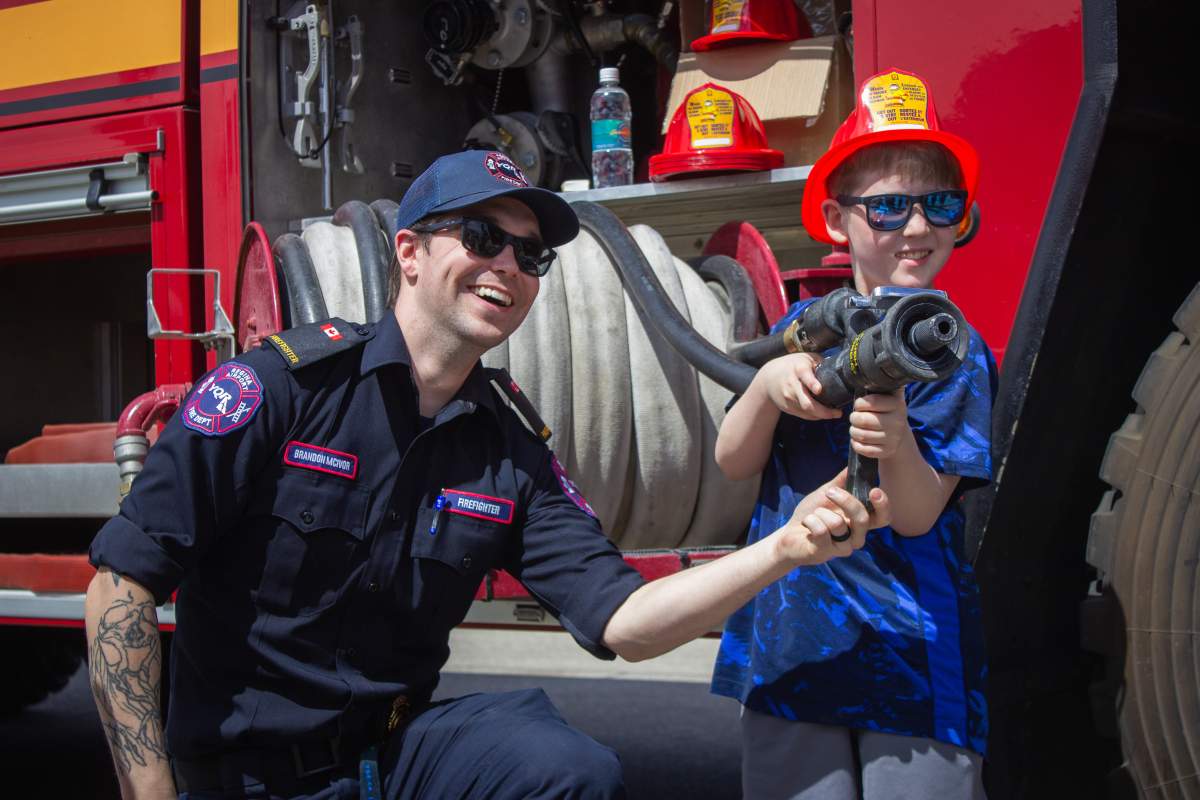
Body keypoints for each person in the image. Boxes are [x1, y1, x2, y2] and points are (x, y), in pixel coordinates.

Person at [85, 149, 890, 800]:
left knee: (561, 766)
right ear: (409, 251)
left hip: (386, 764)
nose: (508, 264)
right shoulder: (282, 389)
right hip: (243, 779)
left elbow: (626, 622)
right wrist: (149, 789)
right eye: (481, 236)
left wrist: (784, 548)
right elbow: (122, 583)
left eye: (531, 254)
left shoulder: (509, 450)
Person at [710, 69, 999, 800]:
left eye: (940, 205)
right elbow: (733, 459)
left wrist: (895, 439)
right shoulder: (796, 332)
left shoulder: (954, 351)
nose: (917, 227)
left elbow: (918, 513)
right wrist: (771, 387)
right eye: (889, 208)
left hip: (910, 656)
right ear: (838, 222)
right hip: (790, 647)